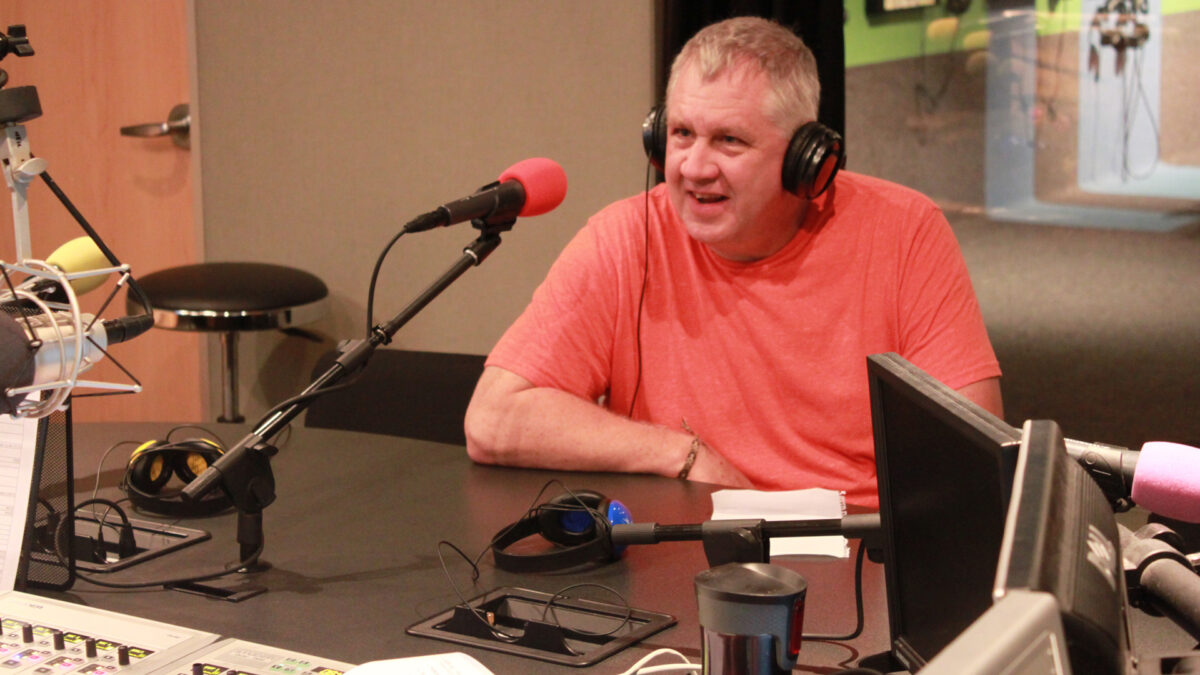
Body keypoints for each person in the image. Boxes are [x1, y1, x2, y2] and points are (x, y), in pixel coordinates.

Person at [464, 16, 1002, 508]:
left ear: (805, 159)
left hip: (859, 556)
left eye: (729, 141)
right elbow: (492, 420)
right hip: (685, 563)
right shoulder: (625, 238)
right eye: (681, 134)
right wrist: (681, 453)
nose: (695, 167)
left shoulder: (904, 231)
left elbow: (972, 454)